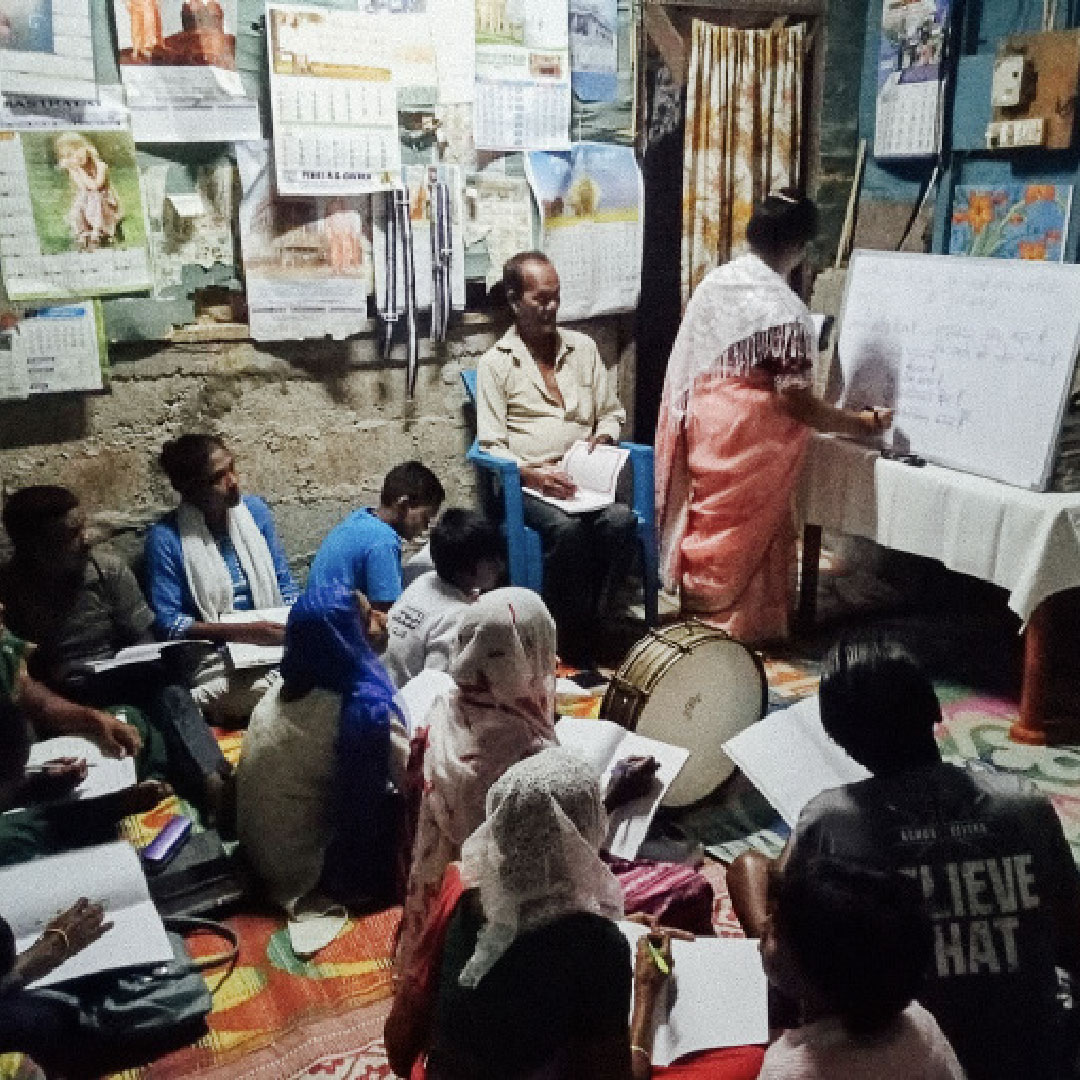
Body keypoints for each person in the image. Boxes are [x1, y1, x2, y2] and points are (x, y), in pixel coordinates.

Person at [729, 632, 1080, 1080]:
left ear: (839, 740)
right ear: (936, 709)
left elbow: (780, 891)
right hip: (1035, 1059)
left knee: (750, 869)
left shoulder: (832, 818)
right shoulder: (1024, 803)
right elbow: (1070, 935)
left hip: (897, 1049)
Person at [386, 747, 765, 1080]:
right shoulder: (596, 946)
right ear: (582, 838)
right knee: (748, 1059)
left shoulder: (462, 890)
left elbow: (401, 1047)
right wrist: (646, 991)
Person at [654, 191, 893, 643]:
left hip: (708, 421)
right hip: (752, 436)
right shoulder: (785, 312)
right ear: (800, 246)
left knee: (713, 520)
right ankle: (741, 628)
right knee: (751, 527)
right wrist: (861, 423)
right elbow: (797, 404)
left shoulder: (716, 283)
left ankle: (703, 613)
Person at [0, 486, 231, 815]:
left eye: (83, 527)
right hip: (60, 695)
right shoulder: (10, 593)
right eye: (71, 534)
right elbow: (21, 681)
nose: (86, 539)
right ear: (36, 548)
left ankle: (213, 780)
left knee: (169, 692)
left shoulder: (106, 571)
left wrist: (134, 661)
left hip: (118, 676)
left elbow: (143, 638)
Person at [476, 251, 637, 664]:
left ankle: (599, 620)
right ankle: (565, 633)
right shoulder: (497, 363)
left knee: (620, 521)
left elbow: (611, 412)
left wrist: (603, 436)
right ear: (515, 301)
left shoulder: (582, 349)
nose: (551, 307)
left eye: (556, 297)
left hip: (582, 478)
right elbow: (491, 445)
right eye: (541, 299)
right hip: (528, 486)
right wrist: (533, 475)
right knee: (568, 532)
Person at [396, 587, 558, 971]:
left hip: (437, 907)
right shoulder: (527, 751)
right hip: (501, 928)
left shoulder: (442, 712)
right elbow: (568, 849)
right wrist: (612, 797)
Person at [236, 588, 410, 915]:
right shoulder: (362, 709)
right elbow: (412, 784)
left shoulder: (288, 683)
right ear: (343, 640)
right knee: (432, 812)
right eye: (368, 618)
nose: (383, 619)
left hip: (264, 853)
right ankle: (354, 890)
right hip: (303, 871)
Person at [757, 858, 964, 1079]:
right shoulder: (921, 1024)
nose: (763, 925)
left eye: (776, 931)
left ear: (815, 975)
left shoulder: (787, 1072)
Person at [144, 434, 300, 724]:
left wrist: (297, 620)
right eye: (219, 477)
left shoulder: (255, 513)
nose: (233, 481)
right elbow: (168, 623)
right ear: (190, 488)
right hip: (213, 654)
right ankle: (194, 702)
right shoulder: (166, 538)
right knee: (279, 688)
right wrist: (243, 632)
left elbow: (285, 583)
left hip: (273, 639)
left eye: (232, 468)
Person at [382, 508, 504, 689]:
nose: (500, 566)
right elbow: (436, 689)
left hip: (379, 684)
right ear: (466, 570)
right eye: (492, 561)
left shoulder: (424, 580)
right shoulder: (458, 618)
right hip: (399, 702)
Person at [306, 462, 445, 619]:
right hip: (334, 626)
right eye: (425, 517)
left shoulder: (361, 517)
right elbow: (387, 615)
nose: (426, 527)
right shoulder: (384, 541)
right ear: (403, 505)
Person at [55, 133, 122, 251]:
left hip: (105, 204)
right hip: (88, 204)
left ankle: (97, 232)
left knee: (95, 196)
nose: (76, 155)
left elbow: (94, 186)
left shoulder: (101, 166)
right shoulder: (74, 170)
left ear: (86, 147)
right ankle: (83, 233)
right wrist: (74, 169)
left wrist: (78, 169)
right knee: (81, 201)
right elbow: (83, 187)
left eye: (77, 149)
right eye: (70, 155)